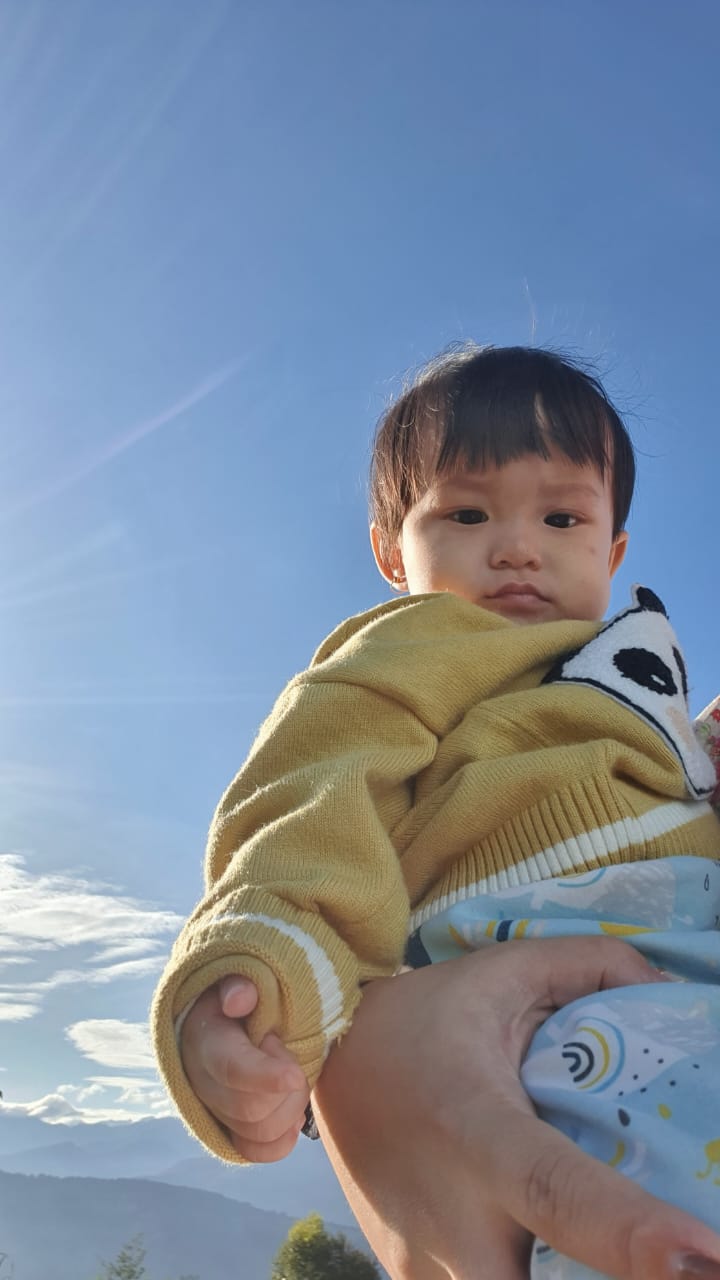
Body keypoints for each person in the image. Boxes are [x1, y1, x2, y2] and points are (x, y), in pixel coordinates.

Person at [152, 345, 720, 1278]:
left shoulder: (635, 678)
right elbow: (313, 806)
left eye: (562, 517)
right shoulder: (406, 653)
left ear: (613, 551)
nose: (518, 546)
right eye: (467, 514)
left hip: (691, 950)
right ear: (391, 552)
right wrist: (256, 977)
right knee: (627, 1196)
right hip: (536, 983)